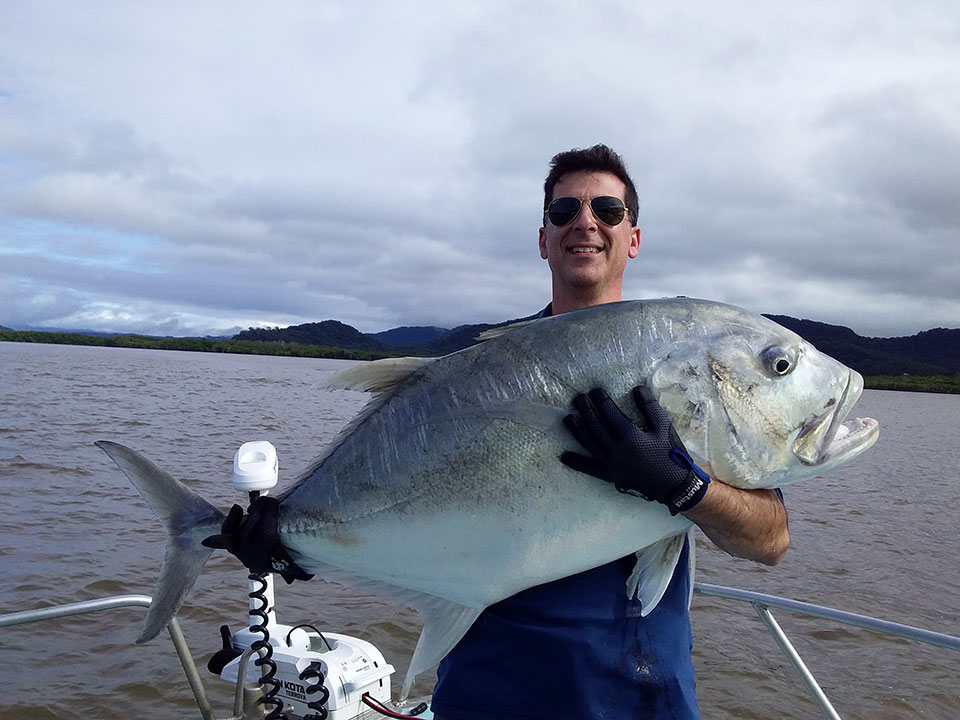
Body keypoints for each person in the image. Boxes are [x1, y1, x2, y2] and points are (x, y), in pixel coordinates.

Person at [429, 144, 790, 720]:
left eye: (607, 210)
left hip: (634, 687)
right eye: (564, 210)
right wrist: (292, 535)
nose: (585, 223)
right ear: (544, 239)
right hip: (489, 680)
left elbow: (769, 541)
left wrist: (683, 487)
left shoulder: (676, 368)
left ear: (634, 238)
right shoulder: (484, 372)